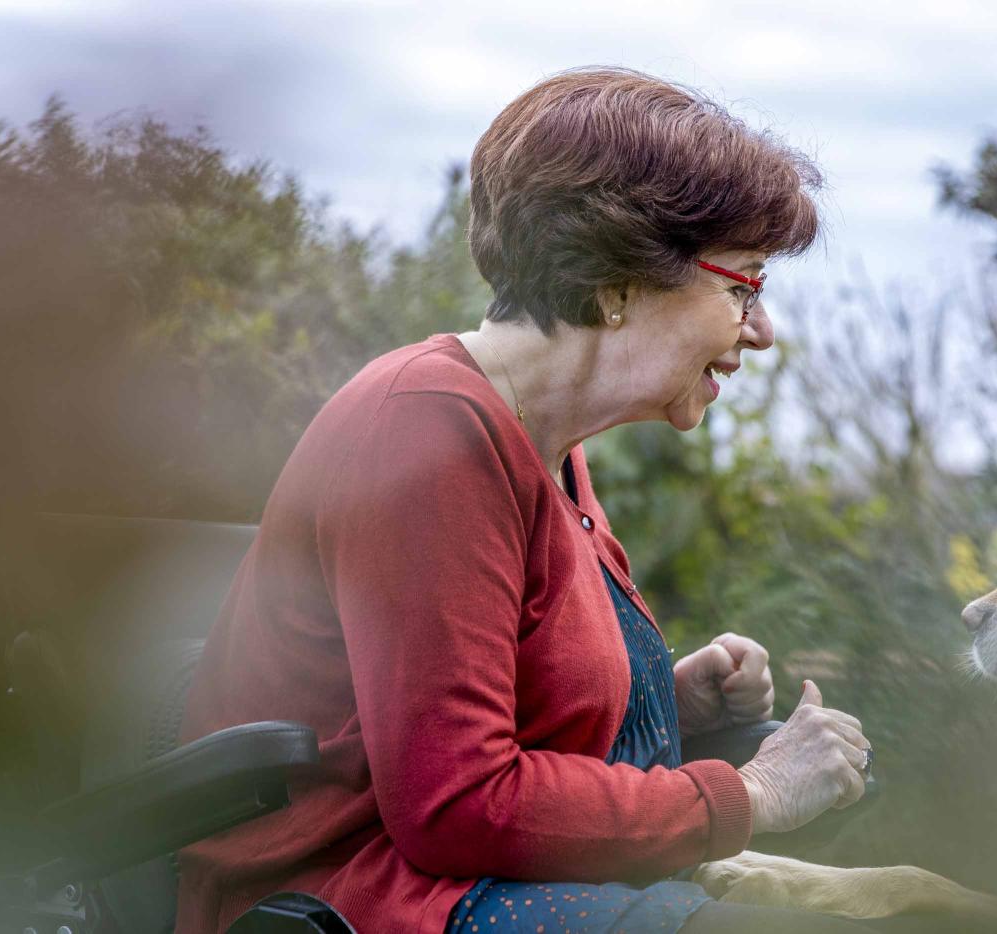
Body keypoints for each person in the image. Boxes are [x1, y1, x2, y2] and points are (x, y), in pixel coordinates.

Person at [175, 67, 874, 934]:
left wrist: (667, 708)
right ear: (617, 282)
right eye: (743, 288)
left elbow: (485, 712)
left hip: (459, 886)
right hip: (357, 904)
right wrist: (753, 793)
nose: (761, 329)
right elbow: (459, 803)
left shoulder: (545, 445)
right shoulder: (427, 433)